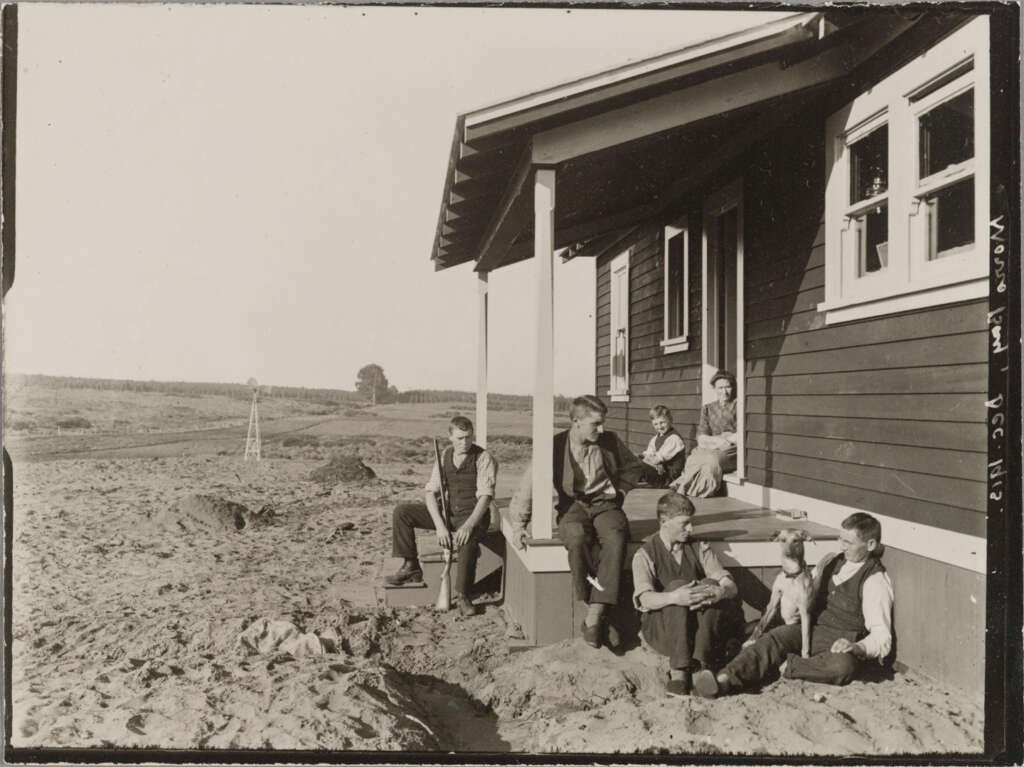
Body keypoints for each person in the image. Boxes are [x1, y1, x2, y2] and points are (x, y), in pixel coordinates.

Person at [692, 512, 894, 698]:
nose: (842, 546)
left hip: (840, 642)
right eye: (840, 539)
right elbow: (803, 585)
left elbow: (882, 636)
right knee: (771, 639)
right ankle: (723, 681)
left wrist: (856, 646)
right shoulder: (832, 562)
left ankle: (789, 666)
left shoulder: (875, 580)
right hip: (810, 629)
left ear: (870, 544)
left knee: (844, 667)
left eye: (849, 543)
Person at [509, 395, 645, 649]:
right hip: (573, 507)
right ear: (576, 422)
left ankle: (593, 617)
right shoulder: (555, 446)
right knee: (576, 539)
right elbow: (529, 484)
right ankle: (598, 609)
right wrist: (518, 525)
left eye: (602, 423)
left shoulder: (610, 441)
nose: (601, 429)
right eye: (595, 424)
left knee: (615, 539)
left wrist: (622, 491)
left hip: (606, 505)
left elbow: (634, 468)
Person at [384, 416, 497, 618]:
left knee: (467, 539)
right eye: (460, 438)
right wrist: (440, 526)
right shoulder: (444, 454)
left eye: (469, 437)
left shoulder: (483, 457)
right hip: (449, 514)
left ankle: (463, 594)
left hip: (474, 515)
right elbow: (430, 493)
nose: (466, 442)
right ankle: (411, 566)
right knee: (402, 512)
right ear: (450, 436)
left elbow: (486, 497)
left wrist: (469, 525)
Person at [633, 492, 739, 696]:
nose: (690, 529)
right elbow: (644, 598)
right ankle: (679, 670)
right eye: (684, 524)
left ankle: (700, 667)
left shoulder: (699, 547)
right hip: (664, 630)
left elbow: (731, 586)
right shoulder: (645, 554)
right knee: (677, 585)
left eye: (691, 523)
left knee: (709, 584)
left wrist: (720, 591)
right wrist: (675, 597)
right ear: (664, 522)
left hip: (699, 631)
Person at [671, 369, 737, 497]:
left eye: (728, 387)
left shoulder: (738, 405)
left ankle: (697, 489)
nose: (724, 391)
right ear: (714, 389)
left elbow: (740, 433)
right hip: (713, 444)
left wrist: (727, 439)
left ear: (733, 387)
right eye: (720, 388)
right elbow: (702, 435)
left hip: (732, 447)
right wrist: (718, 440)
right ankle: (686, 487)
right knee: (693, 458)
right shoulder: (708, 408)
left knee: (712, 460)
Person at [639, 405, 687, 488]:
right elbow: (649, 453)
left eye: (662, 422)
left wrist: (648, 460)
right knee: (636, 462)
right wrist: (644, 457)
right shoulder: (656, 438)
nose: (659, 427)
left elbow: (656, 459)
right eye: (656, 424)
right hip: (660, 470)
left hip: (670, 477)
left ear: (670, 420)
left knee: (638, 466)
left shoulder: (674, 439)